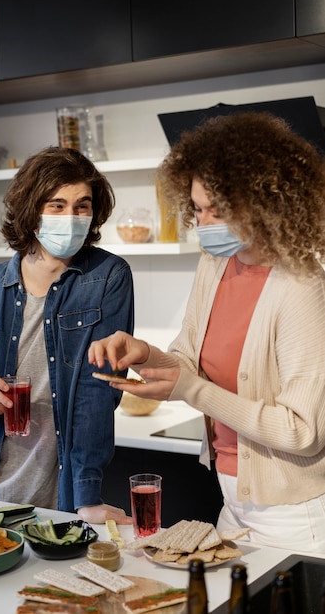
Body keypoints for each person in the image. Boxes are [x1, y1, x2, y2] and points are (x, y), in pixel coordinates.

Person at [88, 111, 325, 551]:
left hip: (298, 518)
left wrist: (190, 389)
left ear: (263, 200)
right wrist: (144, 354)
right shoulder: (214, 264)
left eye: (218, 209)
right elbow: (188, 359)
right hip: (232, 506)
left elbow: (301, 432)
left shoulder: (303, 285)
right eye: (198, 209)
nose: (205, 223)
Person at [0, 146, 134, 525]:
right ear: (32, 211)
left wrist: (86, 495)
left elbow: (100, 389)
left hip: (63, 496)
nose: (72, 217)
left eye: (82, 205)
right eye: (57, 205)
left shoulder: (108, 277)